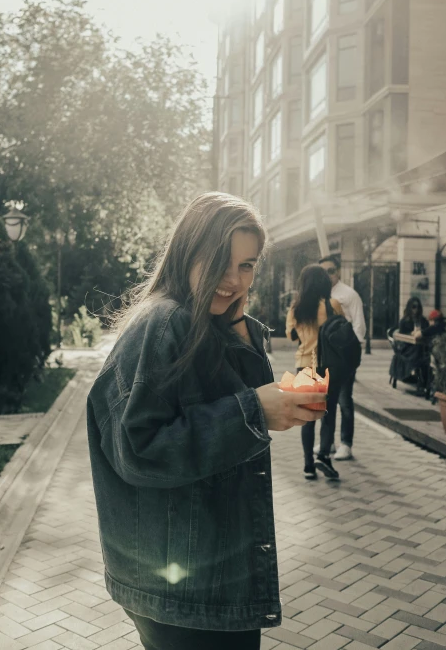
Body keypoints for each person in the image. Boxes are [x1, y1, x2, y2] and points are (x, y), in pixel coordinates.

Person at [87, 192, 327, 650]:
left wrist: (239, 325)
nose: (233, 279)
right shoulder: (163, 323)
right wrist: (254, 411)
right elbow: (138, 449)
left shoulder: (202, 320)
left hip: (203, 579)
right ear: (187, 250)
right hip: (187, 588)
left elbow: (244, 401)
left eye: (247, 266)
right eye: (220, 260)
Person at [286, 264, 343, 481]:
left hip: (305, 365)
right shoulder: (333, 305)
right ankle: (324, 456)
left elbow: (292, 337)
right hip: (329, 365)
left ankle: (308, 465)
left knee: (308, 416)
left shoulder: (295, 308)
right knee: (328, 414)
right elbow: (341, 331)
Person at [318, 255, 366, 461]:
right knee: (326, 401)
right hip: (325, 356)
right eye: (323, 272)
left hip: (344, 355)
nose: (327, 275)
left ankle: (346, 444)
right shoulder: (318, 294)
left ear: (338, 272)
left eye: (330, 271)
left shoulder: (349, 295)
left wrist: (350, 352)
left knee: (345, 400)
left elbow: (359, 325)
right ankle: (327, 443)